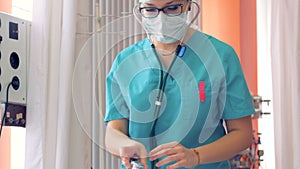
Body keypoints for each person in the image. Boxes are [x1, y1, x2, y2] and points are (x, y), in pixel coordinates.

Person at [104, 0, 255, 168]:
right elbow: (114, 131)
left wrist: (196, 156)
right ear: (140, 9)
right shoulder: (125, 62)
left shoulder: (221, 56)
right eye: (150, 9)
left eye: (172, 8)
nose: (161, 18)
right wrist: (124, 145)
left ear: (188, 5)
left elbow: (242, 134)